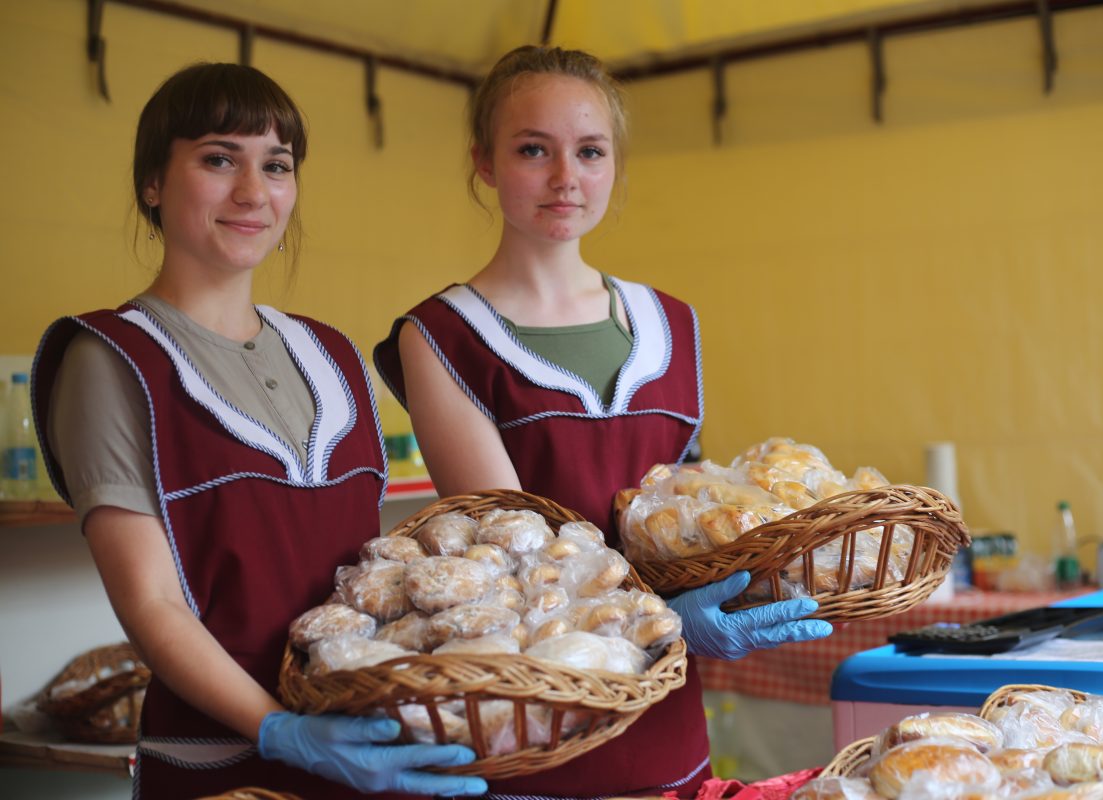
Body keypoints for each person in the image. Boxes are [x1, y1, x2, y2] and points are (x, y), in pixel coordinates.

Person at [374, 45, 834, 798]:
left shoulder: (672, 324)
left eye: (590, 151)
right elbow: (514, 565)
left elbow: (689, 519)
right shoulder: (441, 336)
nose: (566, 178)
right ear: (483, 163)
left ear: (614, 164)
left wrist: (741, 581)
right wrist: (674, 617)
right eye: (533, 150)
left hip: (669, 722)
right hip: (537, 730)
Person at [31, 63, 487, 799]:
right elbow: (150, 602)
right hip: (220, 762)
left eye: (276, 166)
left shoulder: (333, 353)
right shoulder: (113, 360)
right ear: (153, 182)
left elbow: (369, 577)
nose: (253, 192)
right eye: (218, 159)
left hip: (365, 745)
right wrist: (279, 728)